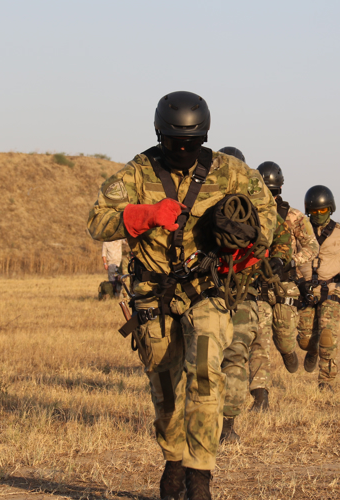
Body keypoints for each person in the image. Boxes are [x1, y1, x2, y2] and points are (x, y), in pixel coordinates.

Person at [87, 92, 277, 500]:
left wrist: (246, 238)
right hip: (153, 294)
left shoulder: (230, 171)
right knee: (165, 386)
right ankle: (173, 460)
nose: (184, 150)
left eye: (193, 144)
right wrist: (143, 215)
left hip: (207, 292)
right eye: (176, 144)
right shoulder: (138, 171)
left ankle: (200, 476)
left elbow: (267, 214)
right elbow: (97, 221)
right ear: (160, 136)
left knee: (206, 376)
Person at [218, 149, 293, 444]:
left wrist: (277, 260)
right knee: (200, 359)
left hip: (245, 290)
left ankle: (228, 424)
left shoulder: (259, 207)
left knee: (239, 353)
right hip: (202, 291)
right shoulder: (198, 202)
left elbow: (282, 239)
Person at [296, 185, 340, 391]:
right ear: (308, 210)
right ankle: (312, 350)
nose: (318, 215)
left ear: (331, 209)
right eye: (315, 211)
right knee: (304, 341)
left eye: (323, 211)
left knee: (327, 335)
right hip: (305, 291)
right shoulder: (299, 232)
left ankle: (326, 381)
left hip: (332, 290)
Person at [255, 161, 319, 379]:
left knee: (284, 339)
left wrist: (291, 261)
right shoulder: (248, 214)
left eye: (272, 192)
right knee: (258, 339)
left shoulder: (294, 217)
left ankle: (287, 352)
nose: (269, 196)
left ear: (280, 190)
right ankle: (260, 389)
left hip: (285, 284)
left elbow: (312, 246)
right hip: (257, 283)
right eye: (264, 191)